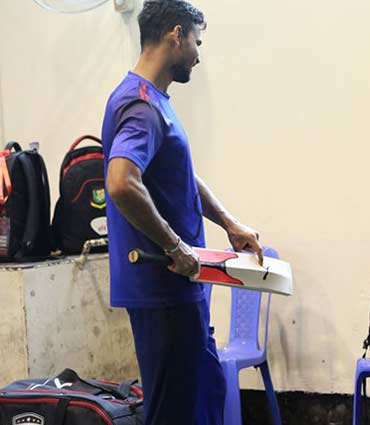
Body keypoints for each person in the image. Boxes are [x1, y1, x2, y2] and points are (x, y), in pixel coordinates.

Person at [101, 1, 262, 423]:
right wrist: (175, 246)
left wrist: (228, 223)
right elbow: (121, 182)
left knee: (205, 393)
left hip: (180, 287)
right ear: (176, 34)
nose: (198, 55)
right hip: (162, 287)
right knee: (176, 411)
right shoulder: (140, 105)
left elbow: (180, 176)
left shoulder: (155, 101)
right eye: (197, 42)